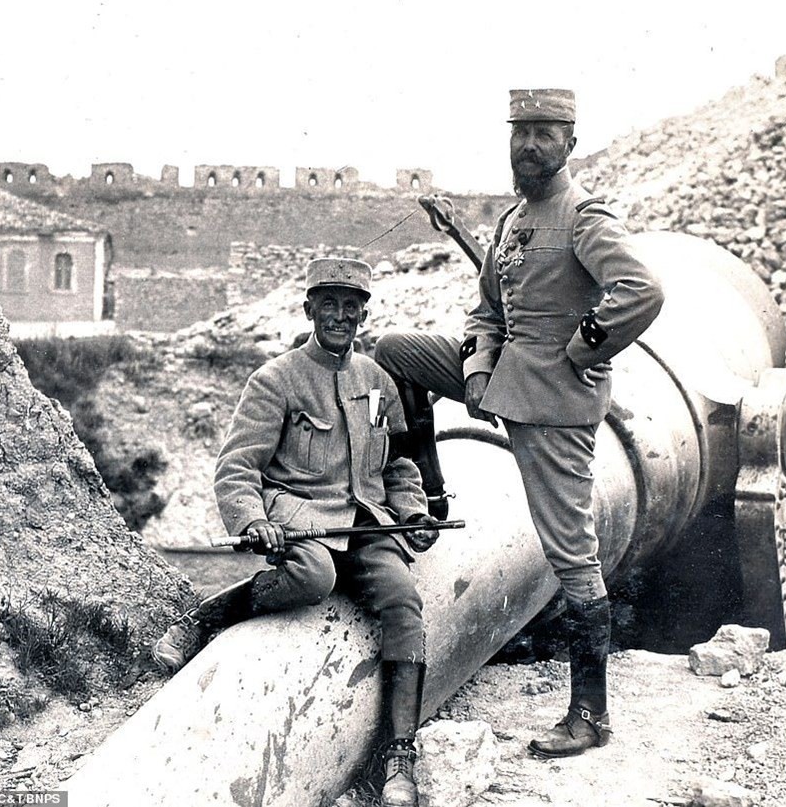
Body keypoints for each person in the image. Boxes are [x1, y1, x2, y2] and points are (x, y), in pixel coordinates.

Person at [375, 88, 665, 759]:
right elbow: (485, 312)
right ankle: (426, 496)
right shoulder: (511, 220)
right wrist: (475, 372)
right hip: (502, 377)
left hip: (556, 404)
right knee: (394, 352)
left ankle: (589, 715)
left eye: (544, 133)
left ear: (570, 141)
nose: (529, 145)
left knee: (572, 553)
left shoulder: (583, 213)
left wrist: (582, 350)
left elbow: (642, 290)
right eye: (520, 132)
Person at [152, 257, 440, 807]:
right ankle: (211, 617)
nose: (340, 316)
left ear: (363, 314)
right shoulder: (276, 379)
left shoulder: (377, 379)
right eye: (328, 304)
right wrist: (254, 519)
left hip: (365, 521)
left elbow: (398, 467)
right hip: (298, 513)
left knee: (404, 598)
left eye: (351, 306)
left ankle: (399, 755)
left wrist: (412, 512)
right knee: (314, 575)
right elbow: (237, 468)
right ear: (309, 309)